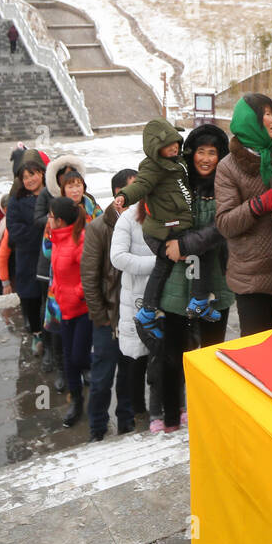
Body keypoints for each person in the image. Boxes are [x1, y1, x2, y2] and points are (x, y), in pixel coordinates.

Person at [154, 124, 232, 433]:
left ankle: (207, 414)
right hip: (178, 277)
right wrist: (173, 239)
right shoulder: (178, 184)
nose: (206, 158)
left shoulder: (226, 186)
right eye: (201, 151)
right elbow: (162, 219)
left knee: (212, 352)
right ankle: (172, 417)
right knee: (174, 351)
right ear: (191, 153)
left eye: (213, 152)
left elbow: (223, 226)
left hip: (215, 278)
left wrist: (186, 243)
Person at [120, 118, 221, 340]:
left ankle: (148, 311)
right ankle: (198, 301)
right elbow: (141, 185)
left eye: (175, 142)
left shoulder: (179, 163)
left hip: (170, 228)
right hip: (167, 230)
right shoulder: (154, 167)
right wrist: (125, 196)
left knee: (162, 268)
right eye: (167, 145)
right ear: (157, 149)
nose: (174, 147)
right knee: (196, 254)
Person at [215, 93, 272, 335]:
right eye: (266, 114)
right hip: (251, 279)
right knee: (258, 352)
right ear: (249, 121)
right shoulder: (228, 167)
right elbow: (224, 223)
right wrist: (258, 205)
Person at [83, 169, 138, 441]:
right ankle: (97, 427)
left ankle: (127, 421)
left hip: (132, 314)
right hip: (108, 317)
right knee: (103, 376)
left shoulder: (144, 223)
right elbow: (90, 278)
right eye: (131, 192)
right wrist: (101, 316)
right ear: (118, 196)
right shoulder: (98, 228)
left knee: (129, 373)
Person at [110, 168, 161, 432]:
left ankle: (158, 413)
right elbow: (117, 258)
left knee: (161, 360)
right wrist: (158, 263)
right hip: (136, 301)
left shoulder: (170, 213)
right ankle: (132, 416)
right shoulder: (128, 218)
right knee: (134, 363)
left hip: (164, 300)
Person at [48, 196, 92, 427]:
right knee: (69, 360)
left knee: (78, 357)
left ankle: (99, 362)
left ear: (61, 220)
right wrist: (56, 287)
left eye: (51, 216)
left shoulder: (79, 240)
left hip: (82, 310)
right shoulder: (57, 239)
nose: (49, 219)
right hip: (63, 307)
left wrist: (76, 293)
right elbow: (56, 269)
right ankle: (76, 401)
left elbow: (90, 274)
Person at [6, 149, 50, 352]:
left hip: (52, 258)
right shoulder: (16, 199)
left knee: (51, 299)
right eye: (24, 177)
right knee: (31, 298)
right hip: (29, 257)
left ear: (41, 173)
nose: (29, 180)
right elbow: (14, 230)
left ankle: (52, 337)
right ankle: (36, 334)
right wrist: (43, 230)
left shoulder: (53, 194)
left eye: (32, 174)